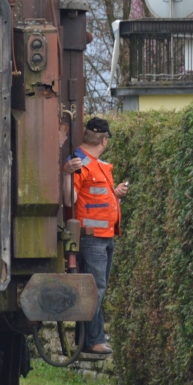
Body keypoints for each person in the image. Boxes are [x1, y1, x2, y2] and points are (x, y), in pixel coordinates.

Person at [62, 117, 129, 356]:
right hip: (92, 239)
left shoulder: (96, 164)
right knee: (95, 288)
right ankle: (93, 340)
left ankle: (88, 339)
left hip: (103, 236)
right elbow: (70, 200)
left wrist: (115, 194)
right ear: (104, 139)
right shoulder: (79, 163)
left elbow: (94, 199)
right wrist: (67, 175)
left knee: (96, 287)